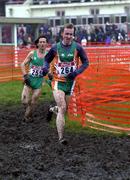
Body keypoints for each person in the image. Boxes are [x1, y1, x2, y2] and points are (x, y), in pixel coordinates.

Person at [42, 23, 89, 144]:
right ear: (62, 33)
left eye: (71, 34)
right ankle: (61, 138)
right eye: (66, 33)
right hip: (58, 82)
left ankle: (52, 109)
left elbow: (86, 63)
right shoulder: (55, 47)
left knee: (64, 109)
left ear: (73, 35)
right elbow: (46, 60)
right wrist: (45, 68)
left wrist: (76, 72)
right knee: (63, 107)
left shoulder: (78, 47)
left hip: (70, 83)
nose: (68, 36)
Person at [21, 35, 48, 122]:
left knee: (33, 101)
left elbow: (51, 68)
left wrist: (48, 73)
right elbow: (22, 64)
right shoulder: (32, 54)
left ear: (46, 43)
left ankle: (27, 117)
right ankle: (28, 113)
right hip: (29, 79)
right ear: (38, 44)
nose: (42, 43)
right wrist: (25, 75)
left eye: (44, 42)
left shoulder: (48, 55)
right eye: (41, 42)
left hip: (39, 81)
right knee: (25, 101)